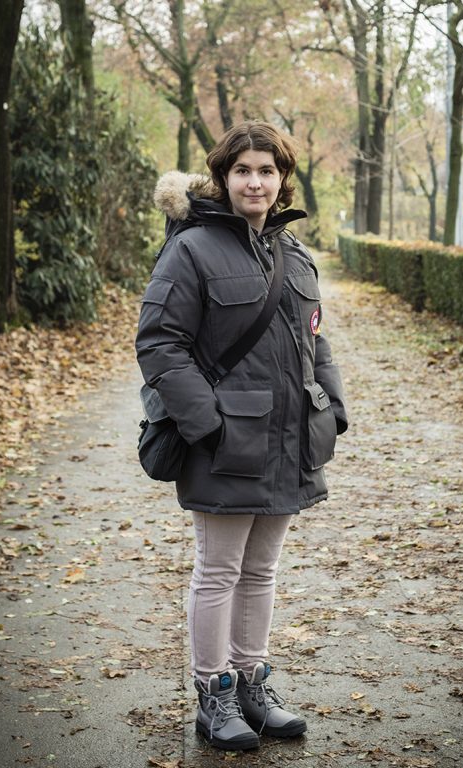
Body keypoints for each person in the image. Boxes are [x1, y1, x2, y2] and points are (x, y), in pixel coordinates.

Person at [135, 120, 348, 751]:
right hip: (224, 442)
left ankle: (252, 683)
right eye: (242, 171)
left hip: (290, 439)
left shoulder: (295, 254)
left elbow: (315, 339)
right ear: (223, 178)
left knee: (261, 569)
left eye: (266, 171)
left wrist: (331, 408)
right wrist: (207, 425)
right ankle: (213, 694)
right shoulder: (192, 249)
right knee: (219, 570)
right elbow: (160, 344)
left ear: (283, 180)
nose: (255, 182)